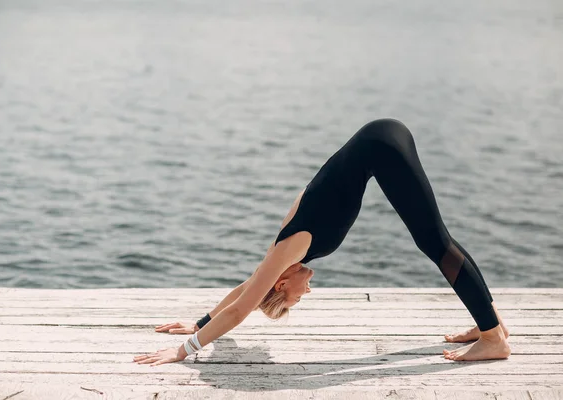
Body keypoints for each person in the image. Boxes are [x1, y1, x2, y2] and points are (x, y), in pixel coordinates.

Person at [133, 118, 511, 366]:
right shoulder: (279, 255)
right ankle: (490, 324)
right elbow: (247, 289)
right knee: (438, 241)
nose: (307, 292)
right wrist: (199, 322)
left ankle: (494, 339)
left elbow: (240, 309)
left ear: (282, 283)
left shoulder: (290, 249)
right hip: (379, 140)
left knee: (436, 243)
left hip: (382, 147)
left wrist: (186, 350)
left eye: (296, 297)